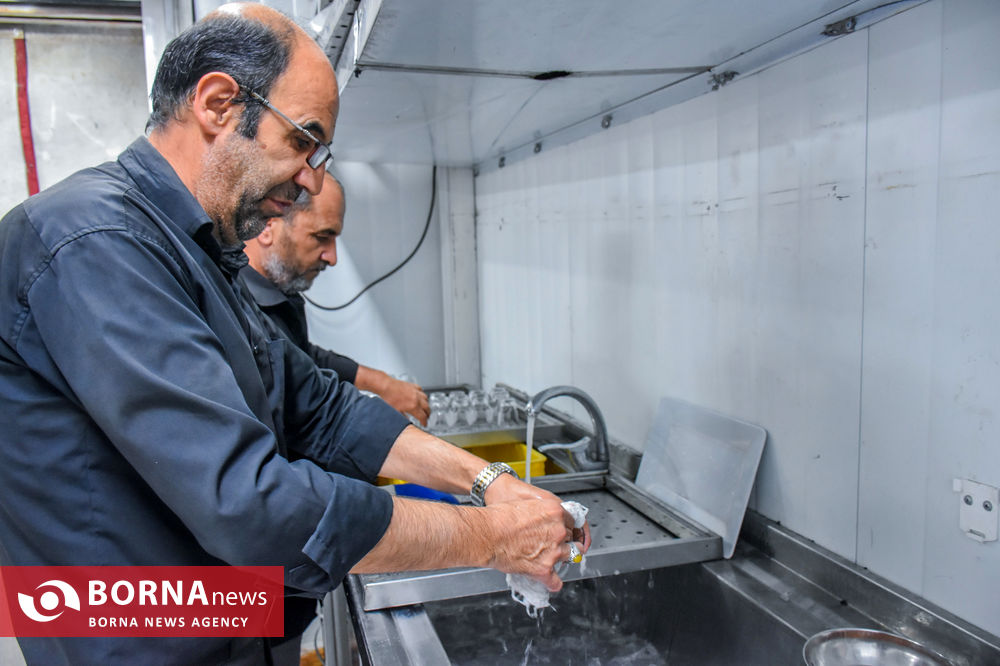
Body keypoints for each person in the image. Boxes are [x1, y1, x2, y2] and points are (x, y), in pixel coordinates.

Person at [0, 4, 588, 665]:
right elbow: (250, 505)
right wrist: (491, 536)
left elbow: (322, 407)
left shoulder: (200, 252)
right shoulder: (94, 244)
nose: (311, 179)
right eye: (304, 140)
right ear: (219, 105)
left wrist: (489, 482)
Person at [242, 173, 430, 425]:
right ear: (267, 227)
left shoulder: (280, 296)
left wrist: (380, 383)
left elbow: (301, 356)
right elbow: (302, 392)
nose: (332, 258)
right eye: (322, 237)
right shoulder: (238, 310)